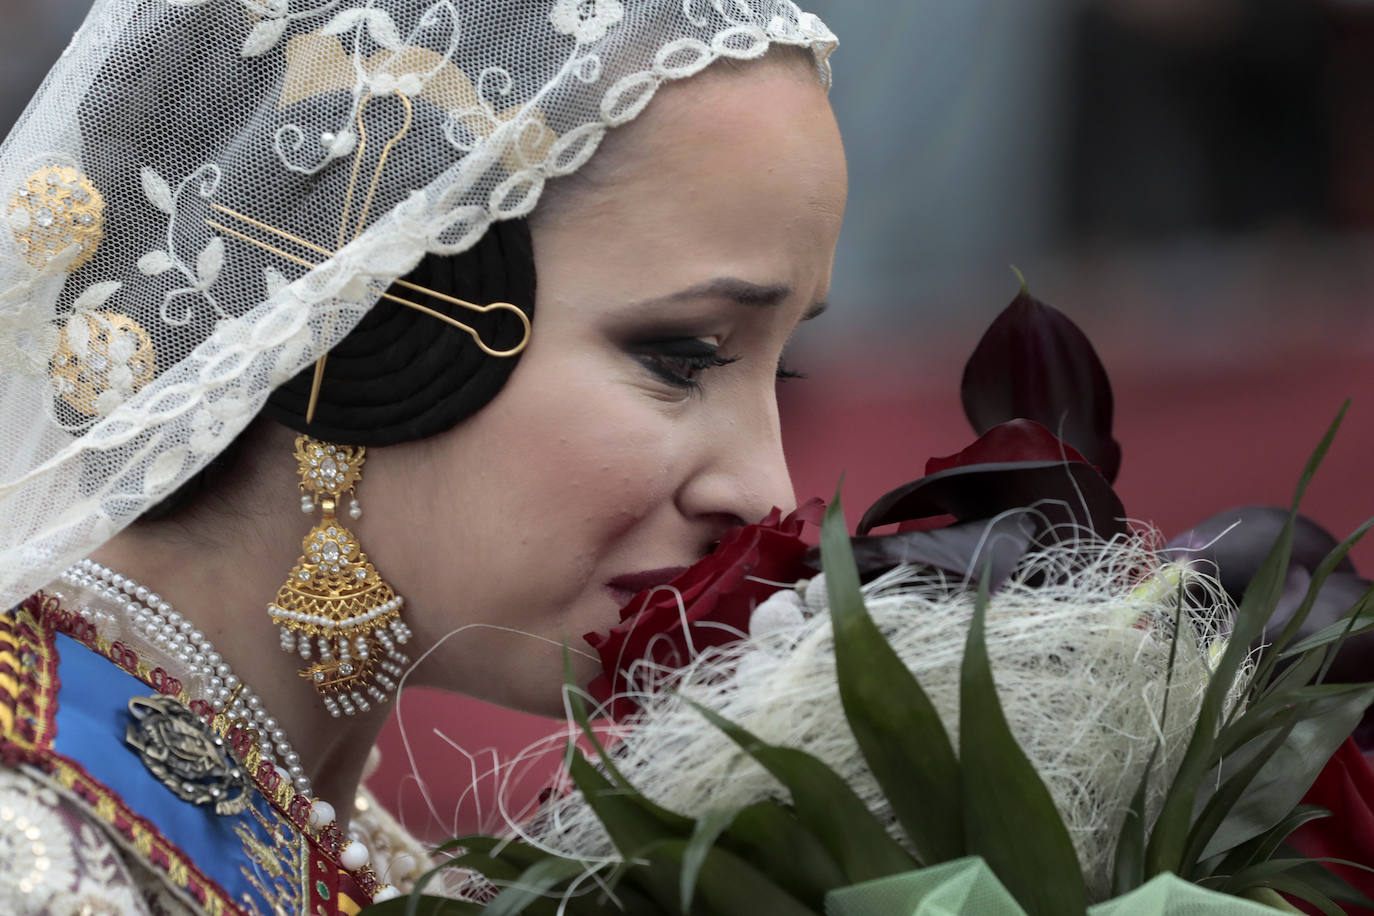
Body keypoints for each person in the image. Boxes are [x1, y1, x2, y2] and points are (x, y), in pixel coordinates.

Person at [0, 1, 846, 913]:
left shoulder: (339, 837)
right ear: (367, 320)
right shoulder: (34, 847)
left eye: (782, 366)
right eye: (681, 357)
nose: (768, 493)